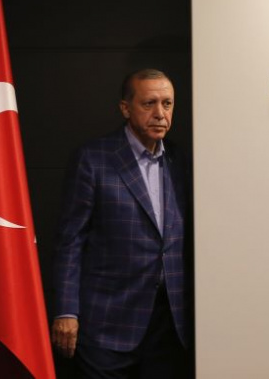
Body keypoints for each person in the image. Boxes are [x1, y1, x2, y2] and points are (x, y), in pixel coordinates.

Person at [52, 69, 190, 378]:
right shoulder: (93, 159)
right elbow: (70, 242)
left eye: (167, 104)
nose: (160, 114)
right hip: (107, 323)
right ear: (125, 108)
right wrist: (66, 311)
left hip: (168, 327)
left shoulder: (180, 161)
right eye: (149, 103)